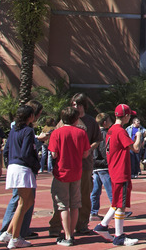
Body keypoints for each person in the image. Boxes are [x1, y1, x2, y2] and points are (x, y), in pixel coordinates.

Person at [48, 93, 102, 238]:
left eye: (78, 104)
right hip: (64, 166)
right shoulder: (63, 122)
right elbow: (56, 138)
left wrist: (89, 148)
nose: (75, 107)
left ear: (83, 105)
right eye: (73, 104)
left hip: (84, 165)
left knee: (83, 196)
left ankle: (82, 224)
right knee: (61, 198)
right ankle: (56, 225)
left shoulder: (90, 122)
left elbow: (97, 139)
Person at [93, 104, 142, 246]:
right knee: (120, 204)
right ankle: (119, 236)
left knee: (116, 202)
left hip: (114, 170)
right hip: (121, 171)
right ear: (125, 116)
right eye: (129, 115)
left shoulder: (111, 130)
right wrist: (138, 136)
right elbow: (136, 148)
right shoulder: (120, 131)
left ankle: (102, 225)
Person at [0, 101, 45, 246]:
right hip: (22, 168)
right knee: (22, 203)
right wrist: (35, 164)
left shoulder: (13, 130)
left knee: (28, 201)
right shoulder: (28, 131)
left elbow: (6, 151)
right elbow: (26, 152)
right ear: (30, 116)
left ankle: (9, 233)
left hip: (14, 166)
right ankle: (14, 238)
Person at [49, 106, 91, 246]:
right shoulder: (81, 133)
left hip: (61, 172)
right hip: (76, 171)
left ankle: (67, 235)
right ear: (76, 118)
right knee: (75, 204)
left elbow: (54, 154)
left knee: (63, 205)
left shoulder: (57, 133)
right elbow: (86, 153)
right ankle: (71, 233)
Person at [91, 113, 114, 220]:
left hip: (95, 166)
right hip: (104, 166)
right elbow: (105, 150)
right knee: (111, 189)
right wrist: (108, 161)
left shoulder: (94, 133)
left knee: (95, 190)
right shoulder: (105, 134)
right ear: (105, 122)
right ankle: (117, 209)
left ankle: (93, 212)